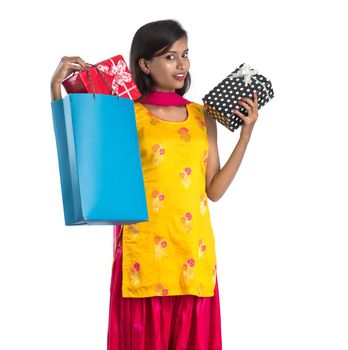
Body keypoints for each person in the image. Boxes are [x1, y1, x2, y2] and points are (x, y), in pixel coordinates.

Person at [50, 19, 259, 350]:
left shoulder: (202, 115)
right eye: (170, 57)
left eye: (185, 55)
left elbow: (214, 190)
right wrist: (57, 91)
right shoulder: (125, 112)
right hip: (143, 256)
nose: (182, 65)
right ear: (145, 64)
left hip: (193, 253)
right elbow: (85, 160)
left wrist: (245, 136)